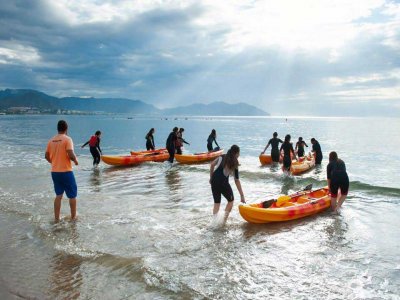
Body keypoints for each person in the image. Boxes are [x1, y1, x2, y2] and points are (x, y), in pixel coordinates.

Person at [45, 120, 79, 222]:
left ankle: (57, 218)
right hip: (66, 172)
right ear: (66, 128)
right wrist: (76, 161)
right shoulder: (67, 139)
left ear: (57, 128)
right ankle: (73, 217)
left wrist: (53, 162)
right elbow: (70, 153)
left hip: (55, 172)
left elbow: (46, 156)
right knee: (72, 196)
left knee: (58, 195)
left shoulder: (51, 140)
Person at [209, 145, 245, 223]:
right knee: (231, 201)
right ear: (236, 153)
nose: (239, 155)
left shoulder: (221, 156)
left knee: (217, 202)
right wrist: (242, 195)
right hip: (222, 181)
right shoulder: (235, 162)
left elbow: (212, 165)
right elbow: (236, 180)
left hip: (214, 180)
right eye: (239, 153)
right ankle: (223, 222)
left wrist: (211, 178)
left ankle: (214, 222)